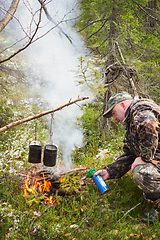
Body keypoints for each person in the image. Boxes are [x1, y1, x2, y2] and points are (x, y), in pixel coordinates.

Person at [94, 92, 160, 223]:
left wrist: (145, 158)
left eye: (113, 113)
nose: (114, 119)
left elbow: (149, 126)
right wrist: (109, 171)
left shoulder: (140, 112)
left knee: (142, 172)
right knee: (140, 167)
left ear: (123, 105)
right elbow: (129, 154)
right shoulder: (132, 120)